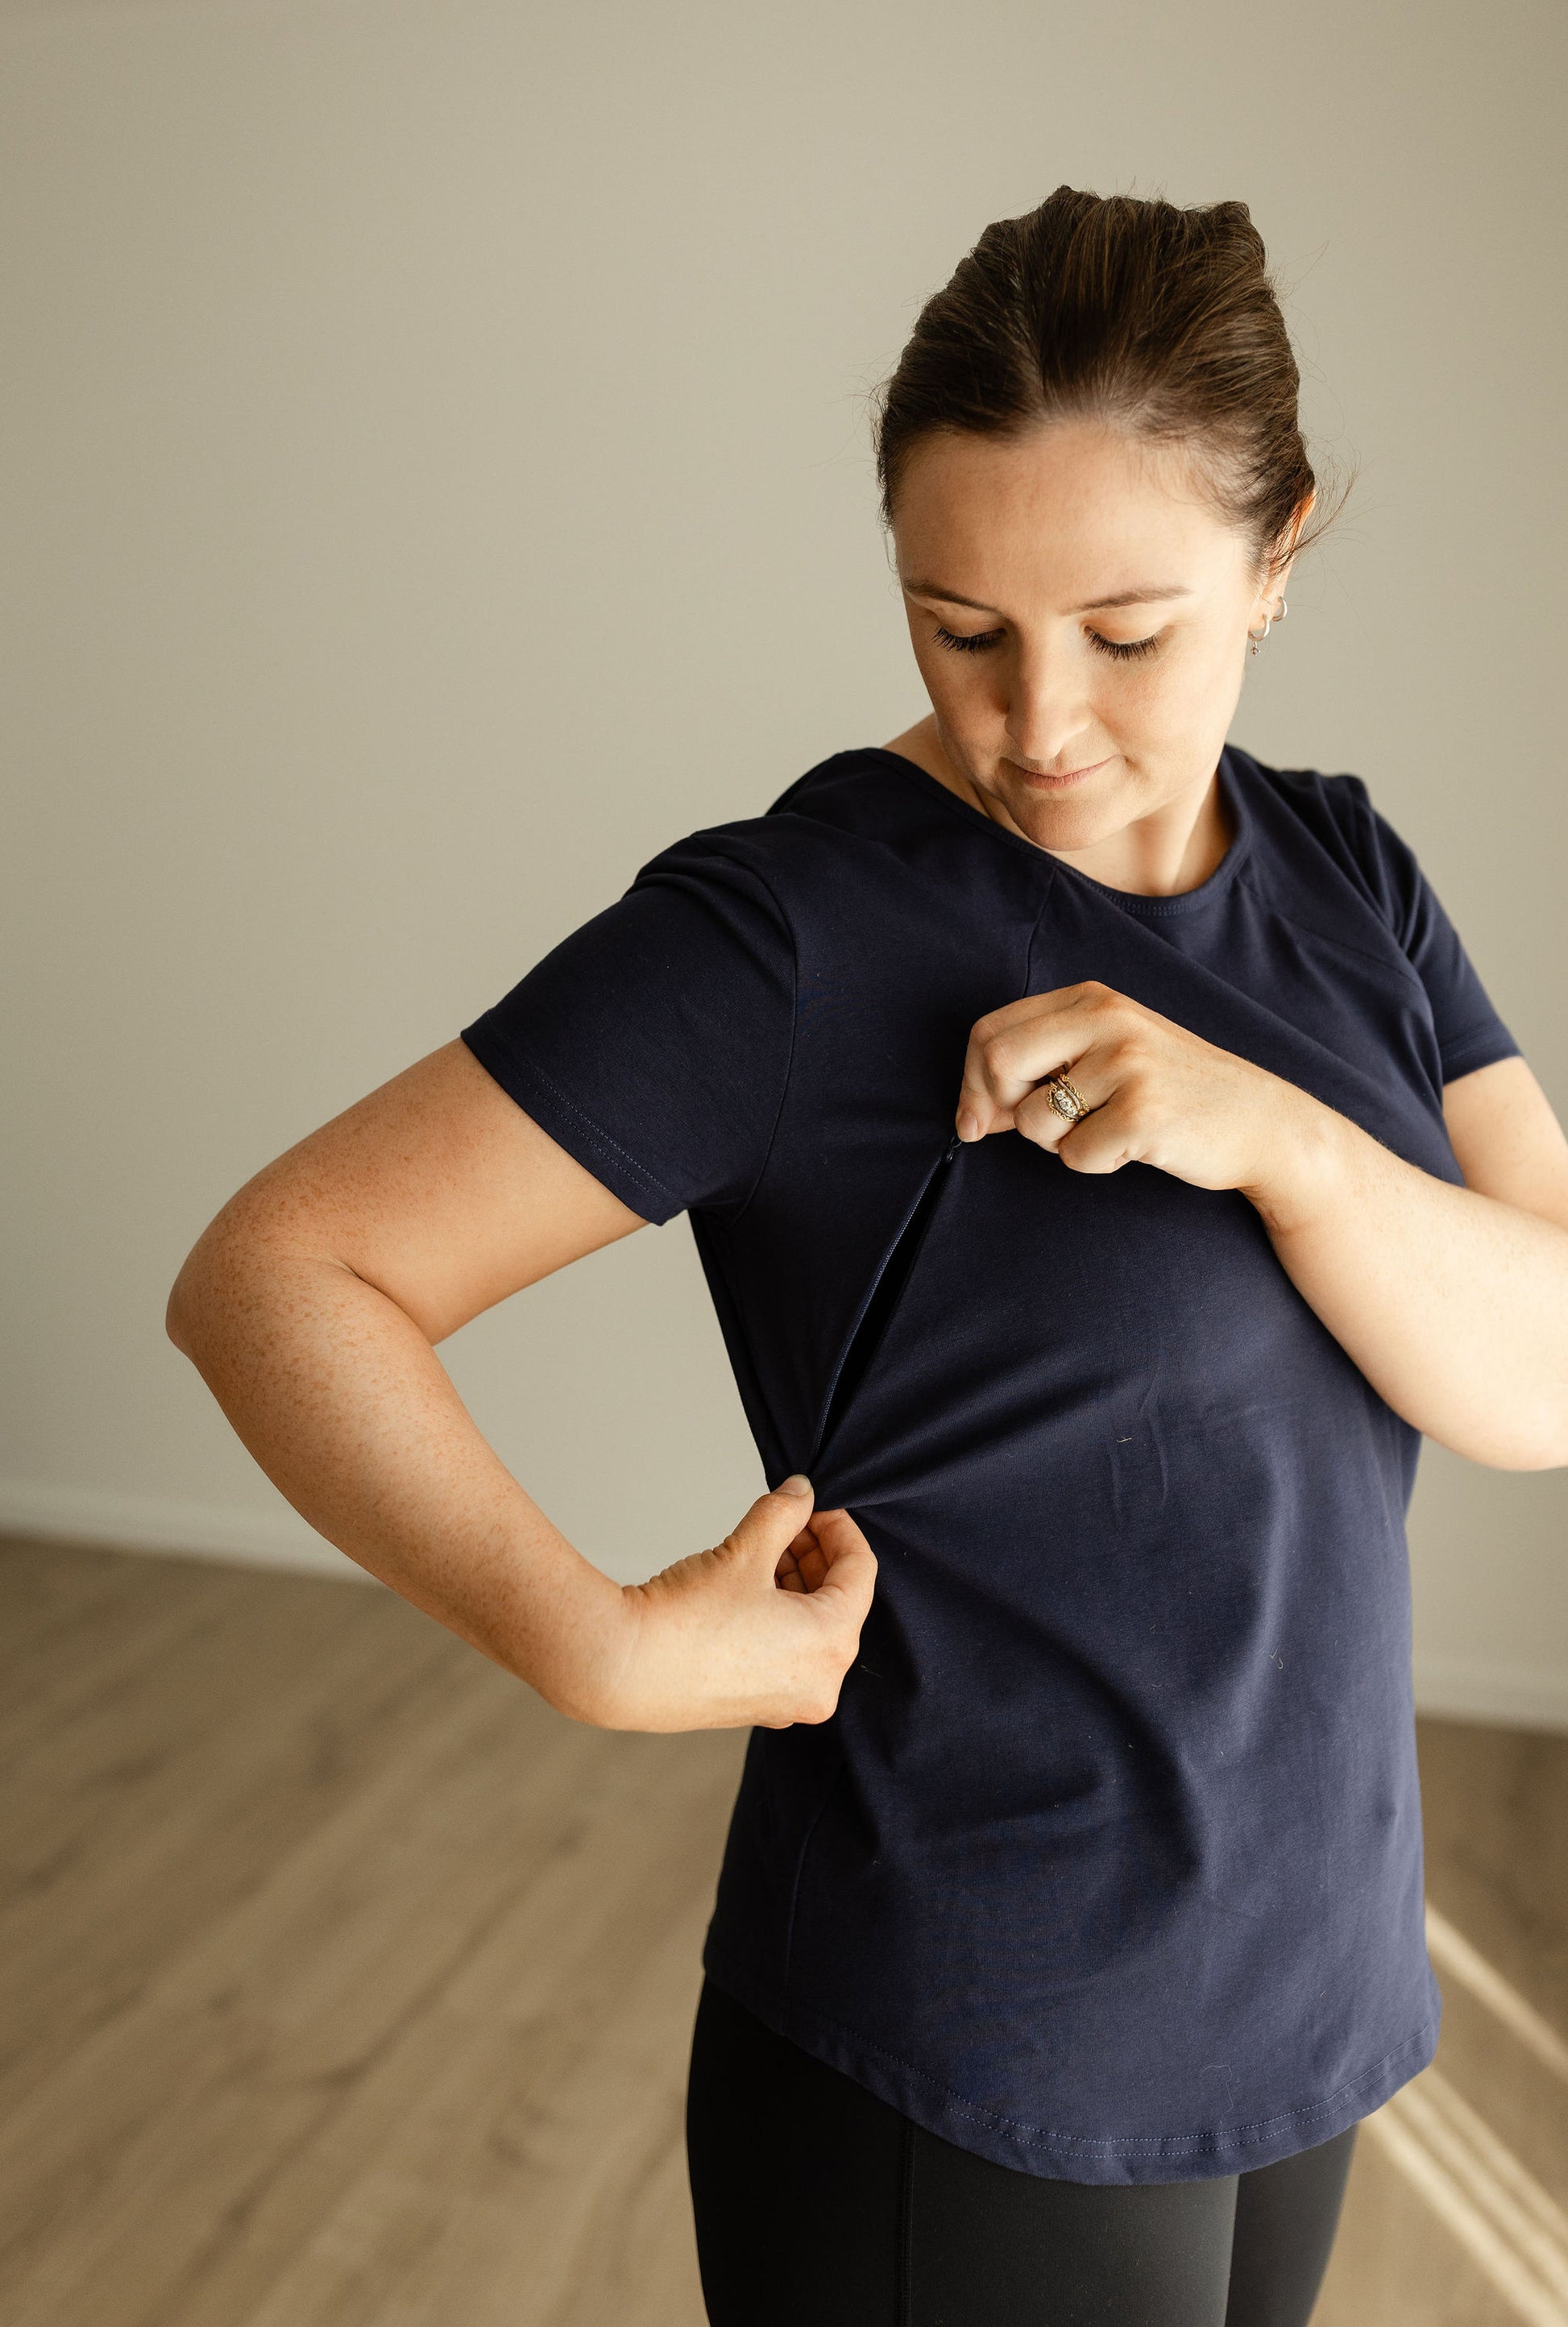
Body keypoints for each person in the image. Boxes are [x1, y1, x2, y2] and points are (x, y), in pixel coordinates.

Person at [167, 188, 1568, 2325]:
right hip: (973, 2043)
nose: (1039, 726)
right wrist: (601, 1647)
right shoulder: (794, 933)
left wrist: (1272, 1139)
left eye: (1128, 632)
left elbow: (1542, 1373)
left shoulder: (1346, 879)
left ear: (1276, 560)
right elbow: (279, 1275)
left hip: (1301, 1998)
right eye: (957, 624)